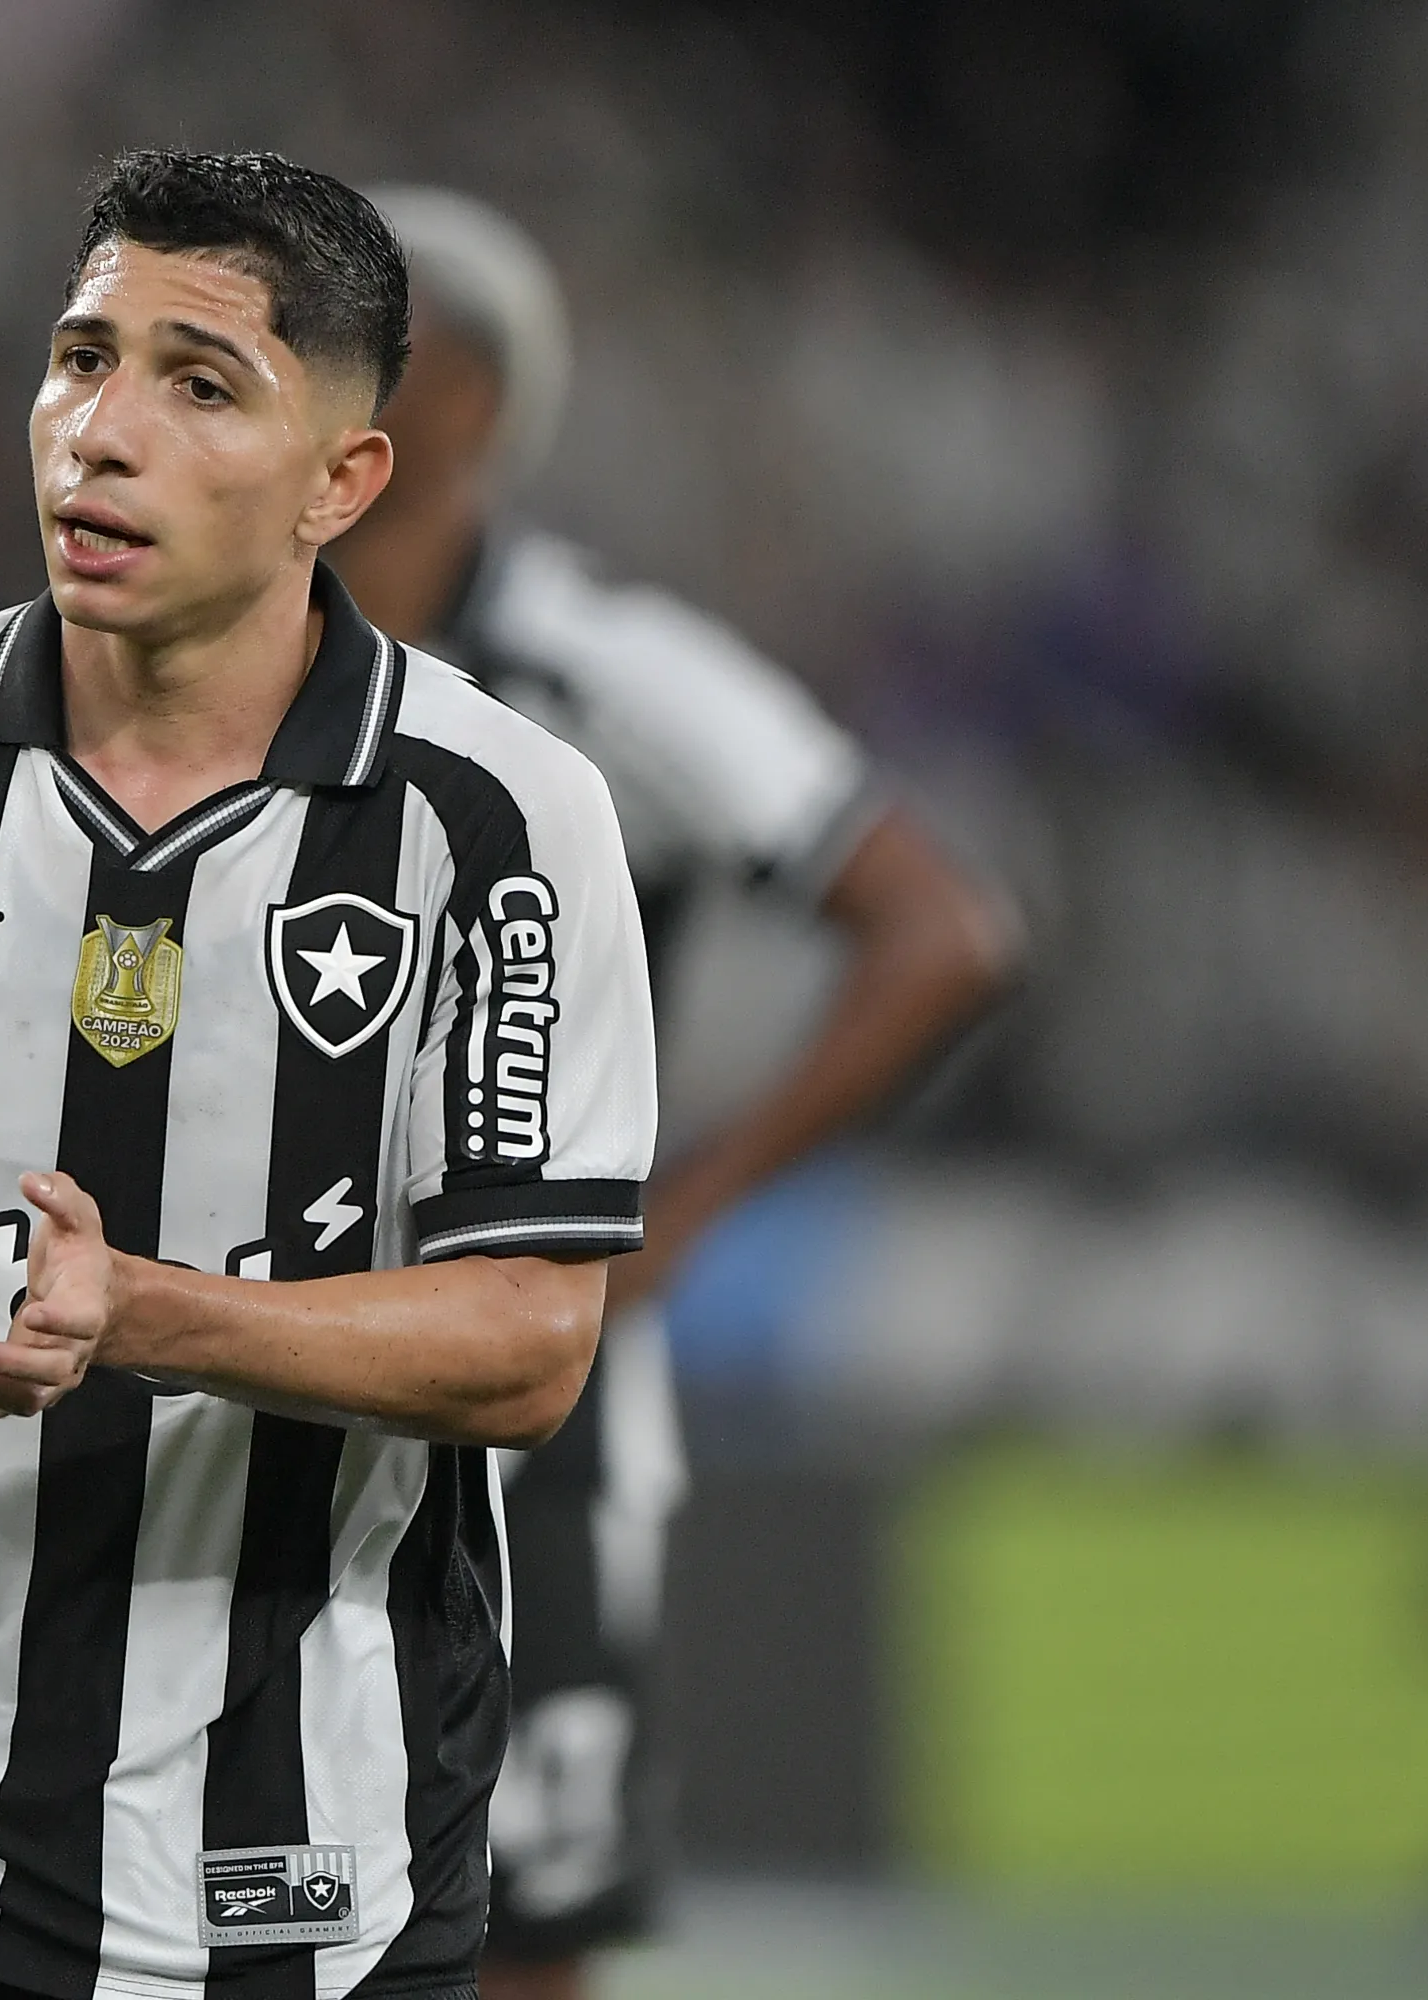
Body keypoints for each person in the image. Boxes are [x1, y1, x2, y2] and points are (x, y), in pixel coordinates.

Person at [0, 152, 660, 2000]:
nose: (100, 433)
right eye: (80, 355)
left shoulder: (503, 820)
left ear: (345, 482)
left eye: (200, 385)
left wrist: (149, 1316)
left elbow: (531, 1341)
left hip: (317, 1854)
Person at [329, 189, 1017, 2000]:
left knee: (524, 1939)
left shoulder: (606, 674)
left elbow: (941, 931)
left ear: (457, 405)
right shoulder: (208, 659)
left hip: (525, 1410)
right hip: (258, 1363)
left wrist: (694, 1204)